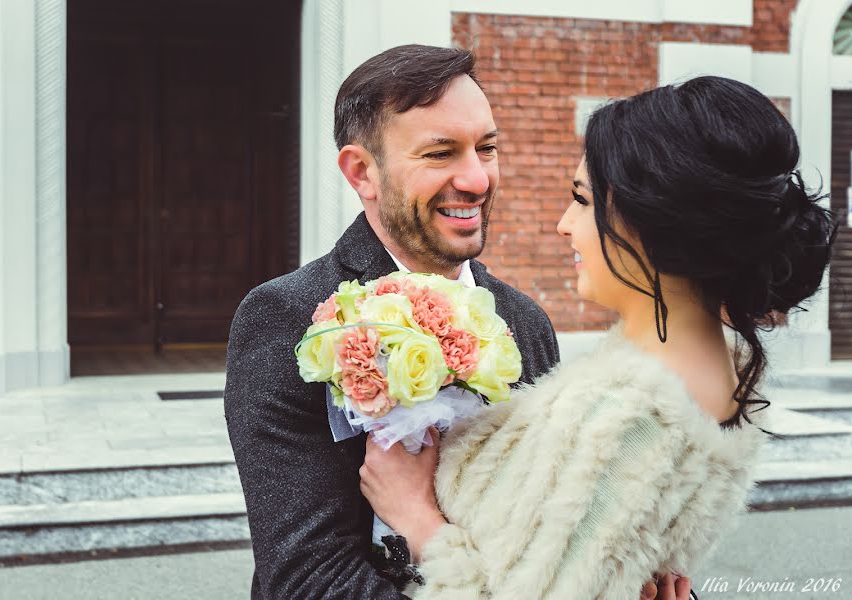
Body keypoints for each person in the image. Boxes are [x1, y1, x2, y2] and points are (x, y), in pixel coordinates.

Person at [359, 75, 835, 599]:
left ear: (655, 218)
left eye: (582, 200)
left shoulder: (622, 417)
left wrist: (417, 519)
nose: (565, 225)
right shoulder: (715, 377)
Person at [224, 45, 560, 599]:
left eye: (487, 147)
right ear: (362, 172)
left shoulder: (524, 322)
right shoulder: (287, 318)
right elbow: (308, 581)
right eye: (440, 153)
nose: (477, 180)